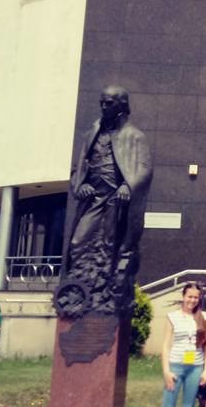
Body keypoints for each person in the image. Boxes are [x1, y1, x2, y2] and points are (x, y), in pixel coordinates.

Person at [58, 85, 152, 319]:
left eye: (109, 103)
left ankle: (105, 290)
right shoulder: (92, 134)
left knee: (110, 246)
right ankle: (80, 291)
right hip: (93, 199)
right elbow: (77, 169)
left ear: (122, 105)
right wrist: (79, 186)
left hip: (117, 201)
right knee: (78, 242)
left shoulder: (135, 137)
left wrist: (128, 186)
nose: (103, 107)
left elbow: (144, 169)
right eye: (102, 102)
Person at [153, 283, 206, 407]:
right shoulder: (173, 317)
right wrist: (166, 371)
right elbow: (166, 345)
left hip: (195, 367)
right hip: (176, 366)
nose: (192, 300)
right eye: (189, 296)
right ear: (183, 296)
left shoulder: (204, 317)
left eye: (196, 297)